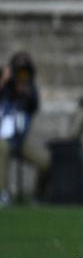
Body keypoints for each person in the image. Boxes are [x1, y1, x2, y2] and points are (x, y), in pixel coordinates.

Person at [0, 51, 49, 205]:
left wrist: (26, 91)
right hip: (3, 139)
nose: (21, 74)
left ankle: (38, 196)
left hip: (19, 141)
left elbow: (34, 106)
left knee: (46, 162)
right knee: (2, 148)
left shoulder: (29, 88)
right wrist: (4, 80)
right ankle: (3, 194)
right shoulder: (5, 86)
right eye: (18, 69)